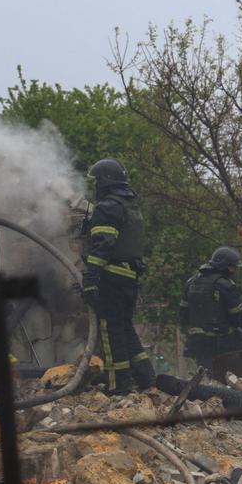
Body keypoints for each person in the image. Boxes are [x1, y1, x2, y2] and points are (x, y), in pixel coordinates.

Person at [81, 158, 155, 394]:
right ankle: (145, 375)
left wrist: (92, 279)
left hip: (110, 276)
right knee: (124, 327)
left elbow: (102, 245)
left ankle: (118, 384)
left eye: (96, 181)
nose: (95, 186)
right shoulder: (129, 206)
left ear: (104, 181)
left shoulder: (108, 207)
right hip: (129, 276)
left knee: (110, 329)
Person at [181, 246, 242, 373]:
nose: (234, 270)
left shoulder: (191, 282)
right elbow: (237, 316)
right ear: (223, 266)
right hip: (222, 341)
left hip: (197, 342)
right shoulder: (226, 285)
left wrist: (190, 330)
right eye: (232, 267)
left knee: (207, 375)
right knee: (226, 377)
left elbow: (183, 312)